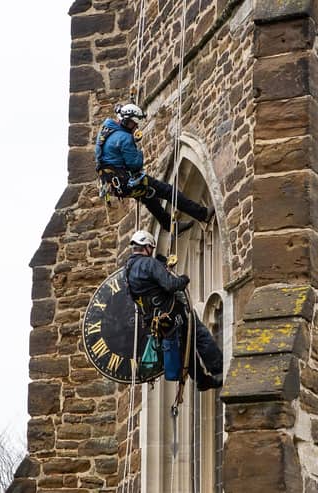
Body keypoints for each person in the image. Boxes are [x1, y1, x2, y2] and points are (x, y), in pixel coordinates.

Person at [95, 103, 214, 235]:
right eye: (134, 125)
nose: (135, 128)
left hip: (113, 185)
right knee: (167, 191)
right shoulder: (125, 138)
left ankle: (170, 226)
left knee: (149, 196)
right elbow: (135, 164)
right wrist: (137, 149)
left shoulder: (106, 130)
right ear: (127, 122)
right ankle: (203, 214)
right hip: (125, 182)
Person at [125, 230, 223, 390]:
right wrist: (184, 279)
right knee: (199, 335)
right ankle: (219, 368)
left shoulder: (127, 270)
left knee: (185, 346)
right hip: (173, 313)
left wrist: (162, 268)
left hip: (157, 321)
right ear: (147, 247)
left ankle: (201, 379)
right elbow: (171, 285)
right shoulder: (149, 264)